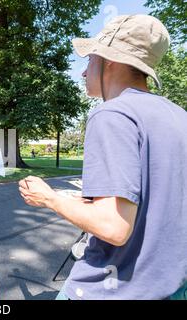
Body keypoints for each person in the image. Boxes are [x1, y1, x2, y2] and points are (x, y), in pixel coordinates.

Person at [19, 15, 186, 300]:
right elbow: (157, 199)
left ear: (110, 60)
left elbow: (114, 227)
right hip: (171, 285)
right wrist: (84, 201)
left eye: (89, 60)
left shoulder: (112, 113)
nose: (84, 73)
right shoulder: (178, 116)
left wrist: (48, 198)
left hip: (113, 289)